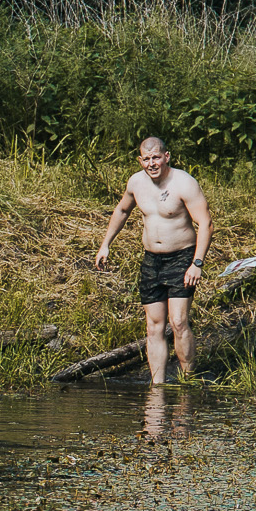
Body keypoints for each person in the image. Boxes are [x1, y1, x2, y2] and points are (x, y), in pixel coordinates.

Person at [95, 137, 213, 384]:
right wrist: (105, 244)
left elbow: (206, 224)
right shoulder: (136, 182)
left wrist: (197, 263)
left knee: (179, 322)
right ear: (140, 160)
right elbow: (122, 210)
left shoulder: (184, 183)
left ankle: (188, 379)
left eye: (156, 157)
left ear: (166, 157)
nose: (152, 163)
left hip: (182, 257)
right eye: (146, 159)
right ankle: (157, 386)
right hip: (152, 261)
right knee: (153, 326)